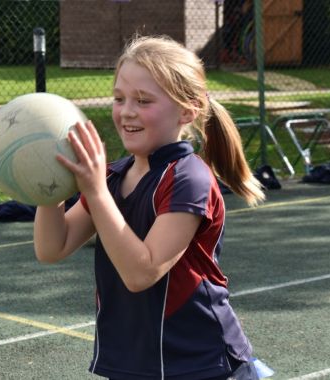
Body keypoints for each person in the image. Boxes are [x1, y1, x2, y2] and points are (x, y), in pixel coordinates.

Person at [33, 35, 264, 380]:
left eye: (143, 101)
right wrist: (46, 188)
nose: (127, 111)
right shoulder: (112, 177)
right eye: (119, 98)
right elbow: (52, 247)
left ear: (187, 109)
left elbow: (142, 273)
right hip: (133, 362)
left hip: (200, 363)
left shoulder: (189, 179)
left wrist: (96, 193)